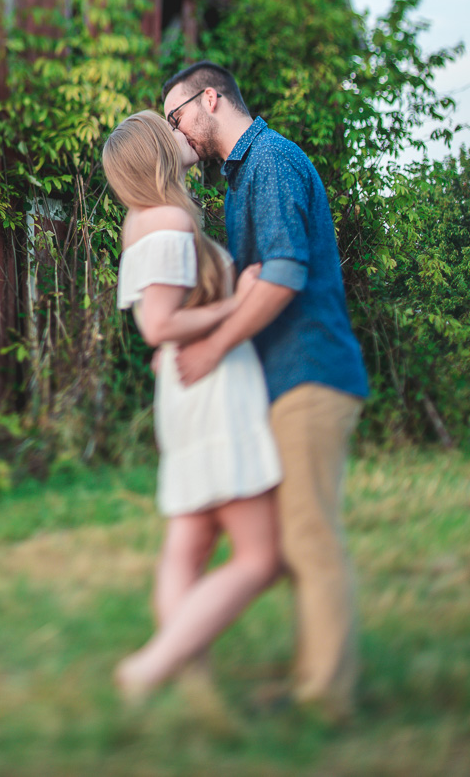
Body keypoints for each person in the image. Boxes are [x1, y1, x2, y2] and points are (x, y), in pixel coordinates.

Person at [163, 61, 369, 718]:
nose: (177, 133)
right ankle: (311, 678)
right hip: (283, 382)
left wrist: (215, 346)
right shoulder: (241, 175)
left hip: (310, 373)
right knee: (285, 544)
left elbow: (281, 276)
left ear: (212, 98)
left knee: (310, 539)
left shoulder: (272, 162)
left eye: (177, 117)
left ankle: (326, 698)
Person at [101, 110, 283, 702]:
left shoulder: (143, 220)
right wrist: (240, 304)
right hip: (211, 390)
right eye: (171, 129)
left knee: (192, 544)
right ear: (158, 150)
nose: (185, 135)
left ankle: (192, 685)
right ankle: (153, 667)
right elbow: (159, 325)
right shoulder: (172, 221)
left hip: (184, 391)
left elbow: (160, 317)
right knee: (261, 557)